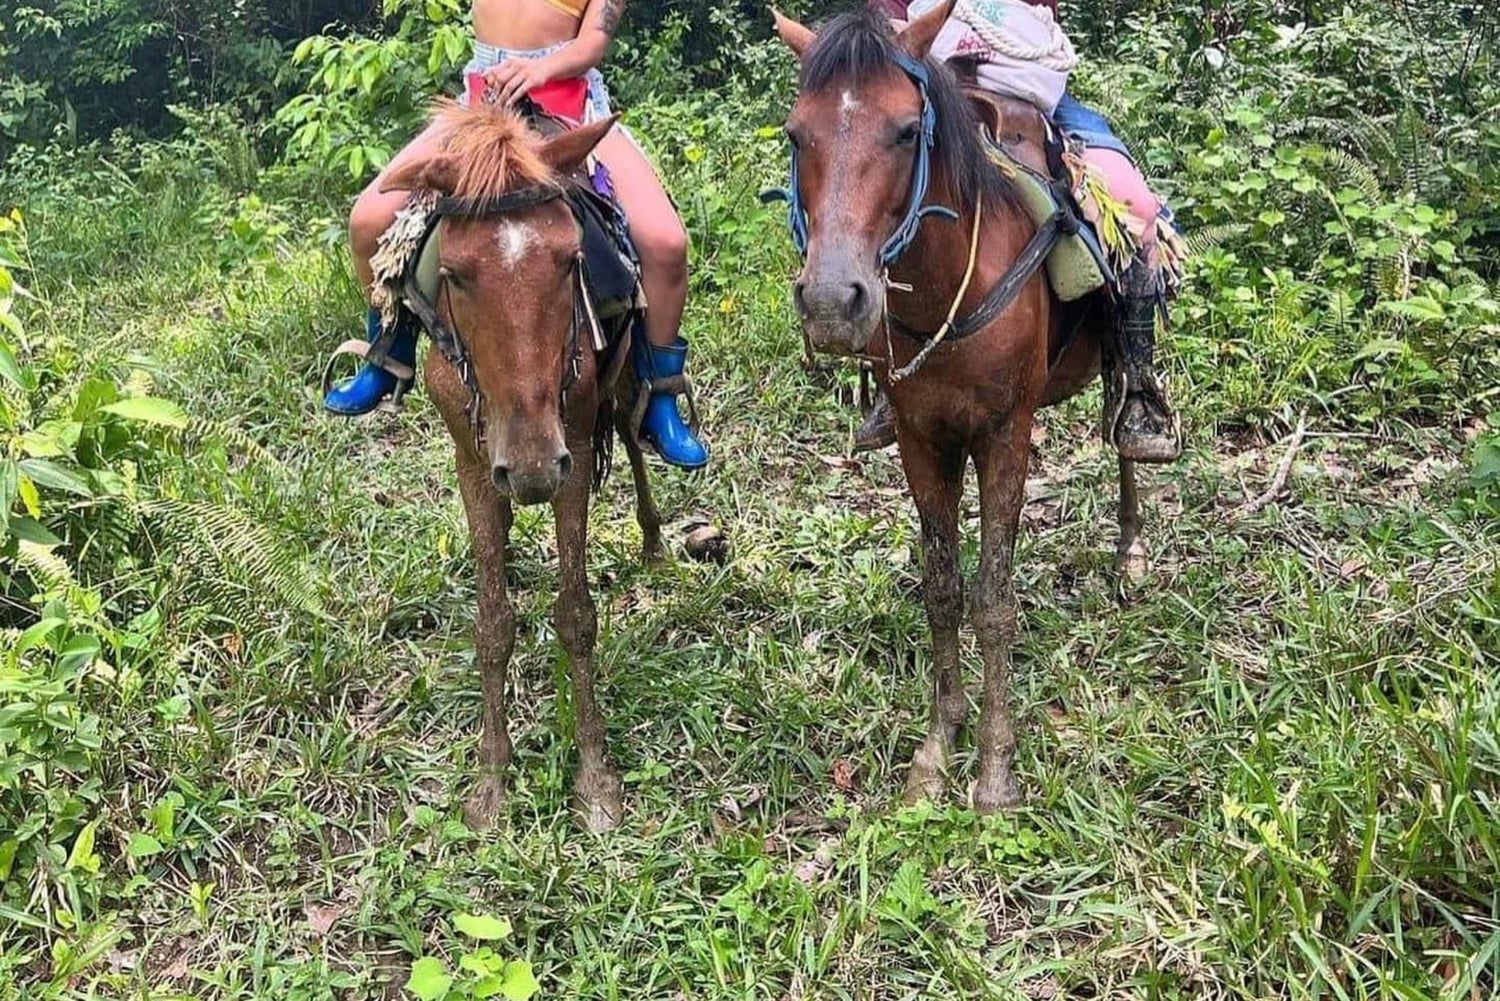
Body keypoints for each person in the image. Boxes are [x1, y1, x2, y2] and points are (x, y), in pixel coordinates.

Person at [325, 0, 709, 471]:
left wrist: (540, 69)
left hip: (569, 104)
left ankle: (659, 393)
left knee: (666, 244)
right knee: (368, 219)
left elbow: (593, 41)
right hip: (480, 106)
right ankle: (389, 352)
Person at [860, 0, 1181, 464]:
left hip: (1035, 105)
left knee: (1138, 211)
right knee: (868, 190)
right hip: (924, 99)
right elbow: (880, 29)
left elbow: (1042, 25)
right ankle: (892, 378)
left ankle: (1136, 386)